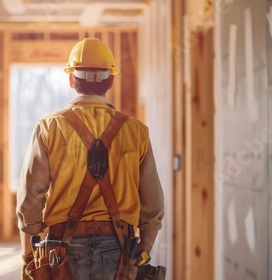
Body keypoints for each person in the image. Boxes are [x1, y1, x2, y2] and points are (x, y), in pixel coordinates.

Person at [16, 38, 164, 280]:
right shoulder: (137, 132)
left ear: (72, 80)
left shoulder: (49, 127)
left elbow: (30, 200)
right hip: (118, 251)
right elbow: (153, 207)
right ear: (111, 80)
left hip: (60, 254)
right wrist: (139, 257)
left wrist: (29, 259)